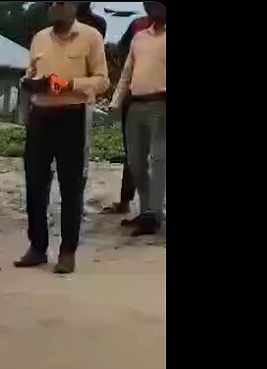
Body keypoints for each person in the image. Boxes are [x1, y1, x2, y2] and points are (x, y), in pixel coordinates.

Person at [14, 1, 108, 275]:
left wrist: (70, 85)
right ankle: (37, 247)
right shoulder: (40, 38)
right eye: (52, 3)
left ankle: (67, 252)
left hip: (72, 116)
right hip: (40, 115)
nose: (55, 7)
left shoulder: (91, 37)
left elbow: (102, 80)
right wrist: (28, 81)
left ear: (74, 7)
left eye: (62, 2)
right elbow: (30, 72)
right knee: (35, 184)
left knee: (70, 187)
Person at [111, 1, 166, 236]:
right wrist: (116, 101)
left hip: (162, 105)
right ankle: (146, 211)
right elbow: (127, 73)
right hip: (135, 104)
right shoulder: (139, 37)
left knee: (158, 161)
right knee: (135, 161)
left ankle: (152, 215)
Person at [102, 12, 154, 215]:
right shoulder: (137, 26)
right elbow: (123, 55)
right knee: (133, 152)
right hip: (134, 96)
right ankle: (126, 201)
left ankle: (151, 207)